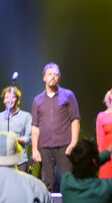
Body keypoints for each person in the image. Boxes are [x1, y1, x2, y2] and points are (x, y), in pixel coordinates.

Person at [30, 62, 80, 191]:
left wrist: (73, 142)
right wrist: (35, 149)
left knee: (68, 180)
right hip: (45, 147)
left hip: (64, 145)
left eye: (56, 74)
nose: (53, 76)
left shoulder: (68, 95)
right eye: (50, 74)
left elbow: (74, 120)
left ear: (59, 78)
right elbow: (35, 127)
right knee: (47, 182)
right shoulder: (37, 100)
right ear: (44, 78)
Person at [0, 85, 32, 172]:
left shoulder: (26, 116)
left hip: (20, 161)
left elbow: (29, 138)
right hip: (1, 160)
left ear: (17, 100)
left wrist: (14, 139)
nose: (9, 100)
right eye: (6, 98)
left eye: (12, 98)